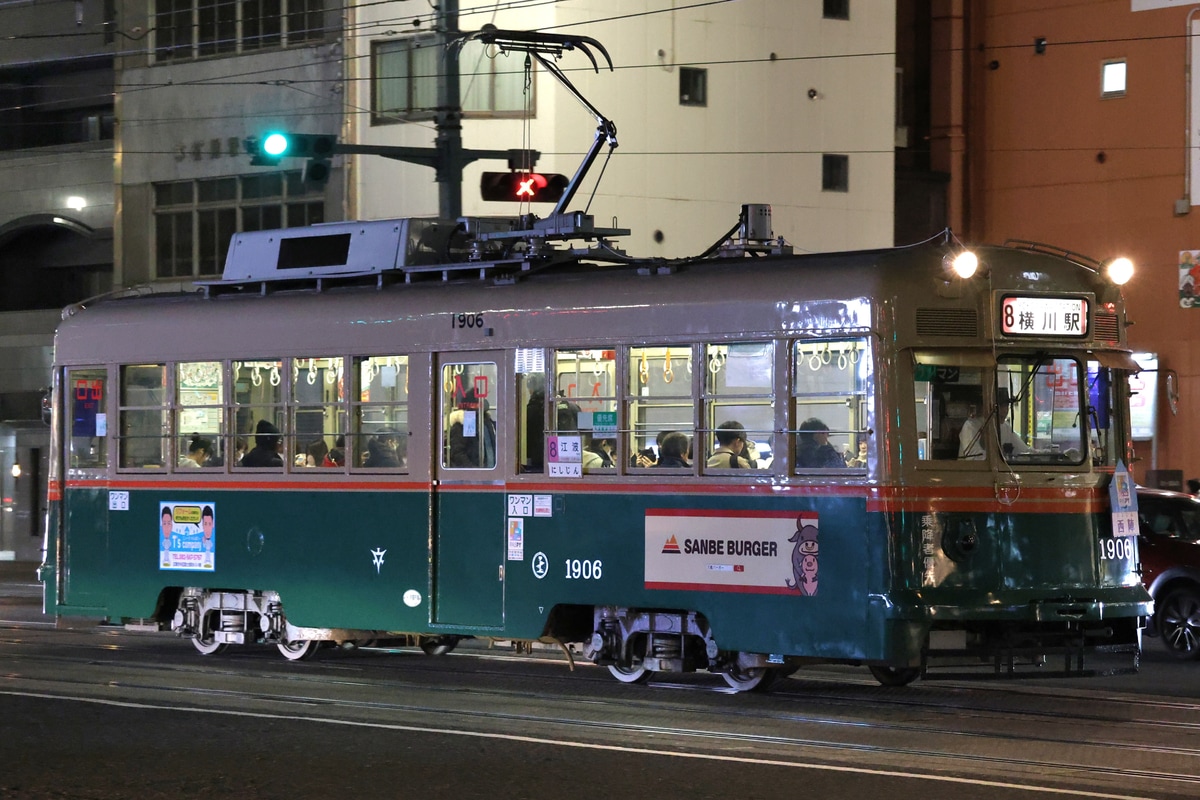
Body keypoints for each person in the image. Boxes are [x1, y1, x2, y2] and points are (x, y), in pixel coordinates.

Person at [958, 388, 1031, 459]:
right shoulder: (970, 426)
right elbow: (974, 458)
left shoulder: (1005, 427)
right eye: (1001, 406)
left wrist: (1040, 454)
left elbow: (1024, 451)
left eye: (1007, 406)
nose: (1005, 410)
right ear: (987, 407)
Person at [448, 388, 497, 468]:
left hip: (491, 472)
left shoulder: (487, 422)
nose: (483, 402)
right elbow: (457, 453)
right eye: (479, 400)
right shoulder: (462, 424)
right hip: (475, 476)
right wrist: (473, 471)